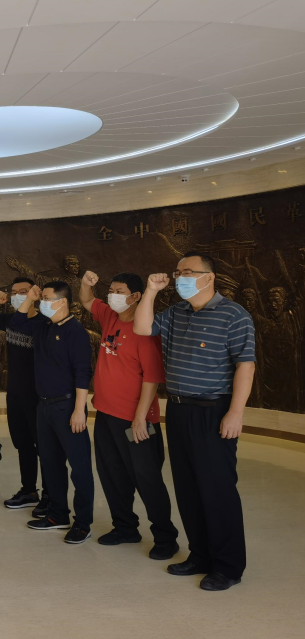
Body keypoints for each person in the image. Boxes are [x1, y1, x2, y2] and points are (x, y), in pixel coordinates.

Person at [134, 252, 256, 591]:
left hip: (213, 411)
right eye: (178, 272)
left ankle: (228, 566)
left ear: (209, 277)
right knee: (188, 488)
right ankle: (200, 555)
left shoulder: (234, 315)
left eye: (189, 272)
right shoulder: (177, 312)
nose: (181, 277)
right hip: (179, 410)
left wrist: (236, 412)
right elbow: (142, 327)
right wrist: (151, 291)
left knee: (217, 490)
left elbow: (245, 366)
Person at [78, 271, 179, 560]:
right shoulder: (110, 316)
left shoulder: (145, 332)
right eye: (111, 290)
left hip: (136, 420)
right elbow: (87, 300)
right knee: (111, 474)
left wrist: (140, 418)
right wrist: (86, 283)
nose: (112, 295)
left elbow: (152, 378)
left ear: (136, 296)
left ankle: (165, 537)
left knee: (147, 479)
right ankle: (125, 527)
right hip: (106, 414)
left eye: (119, 291)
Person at [12, 281, 94, 544]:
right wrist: (30, 297)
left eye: (46, 298)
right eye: (41, 298)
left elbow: (83, 373)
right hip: (44, 406)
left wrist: (79, 410)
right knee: (50, 463)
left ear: (63, 302)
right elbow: (17, 323)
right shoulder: (43, 326)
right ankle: (58, 514)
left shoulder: (75, 331)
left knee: (79, 467)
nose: (41, 302)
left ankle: (83, 523)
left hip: (68, 406)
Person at [0, 277, 48, 516]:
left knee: (44, 447)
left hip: (38, 395)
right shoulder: (10, 319)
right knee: (23, 445)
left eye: (24, 291)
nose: (19, 295)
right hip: (15, 394)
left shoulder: (45, 321)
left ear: (35, 294)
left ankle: (50, 495)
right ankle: (29, 491)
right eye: (15, 292)